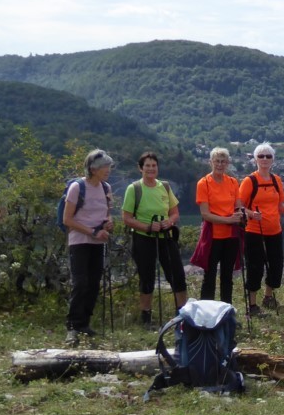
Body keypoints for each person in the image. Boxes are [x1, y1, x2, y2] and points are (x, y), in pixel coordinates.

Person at [121, 151, 188, 328]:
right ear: (140, 168)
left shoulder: (164, 187)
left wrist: (169, 221)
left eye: (154, 165)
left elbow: (175, 212)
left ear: (157, 168)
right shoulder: (134, 189)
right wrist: (148, 227)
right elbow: (127, 218)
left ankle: (183, 315)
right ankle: (146, 318)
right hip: (144, 238)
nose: (151, 169)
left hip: (166, 237)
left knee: (177, 275)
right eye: (147, 166)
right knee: (147, 277)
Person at [62, 149, 116, 345]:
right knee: (80, 283)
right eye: (105, 167)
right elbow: (67, 219)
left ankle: (84, 323)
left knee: (93, 283)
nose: (108, 169)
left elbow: (107, 214)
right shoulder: (77, 188)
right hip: (79, 241)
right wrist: (92, 232)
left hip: (97, 241)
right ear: (93, 169)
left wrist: (108, 223)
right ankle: (73, 326)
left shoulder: (105, 187)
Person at [239, 143, 284, 316]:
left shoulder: (276, 180)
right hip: (254, 230)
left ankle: (268, 297)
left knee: (276, 264)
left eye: (268, 156)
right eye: (261, 156)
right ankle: (252, 306)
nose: (265, 159)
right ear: (255, 159)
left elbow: (279, 204)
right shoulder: (249, 181)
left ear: (273, 160)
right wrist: (250, 213)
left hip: (274, 229)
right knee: (254, 266)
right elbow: (239, 206)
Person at [192, 147, 245, 304]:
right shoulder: (204, 183)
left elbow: (238, 205)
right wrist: (229, 220)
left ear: (227, 163)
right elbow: (205, 214)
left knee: (227, 276)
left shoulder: (233, 182)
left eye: (223, 161)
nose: (220, 165)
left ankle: (225, 310)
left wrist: (240, 214)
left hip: (231, 236)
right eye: (217, 161)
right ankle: (207, 312)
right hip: (213, 235)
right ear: (211, 162)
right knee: (209, 276)